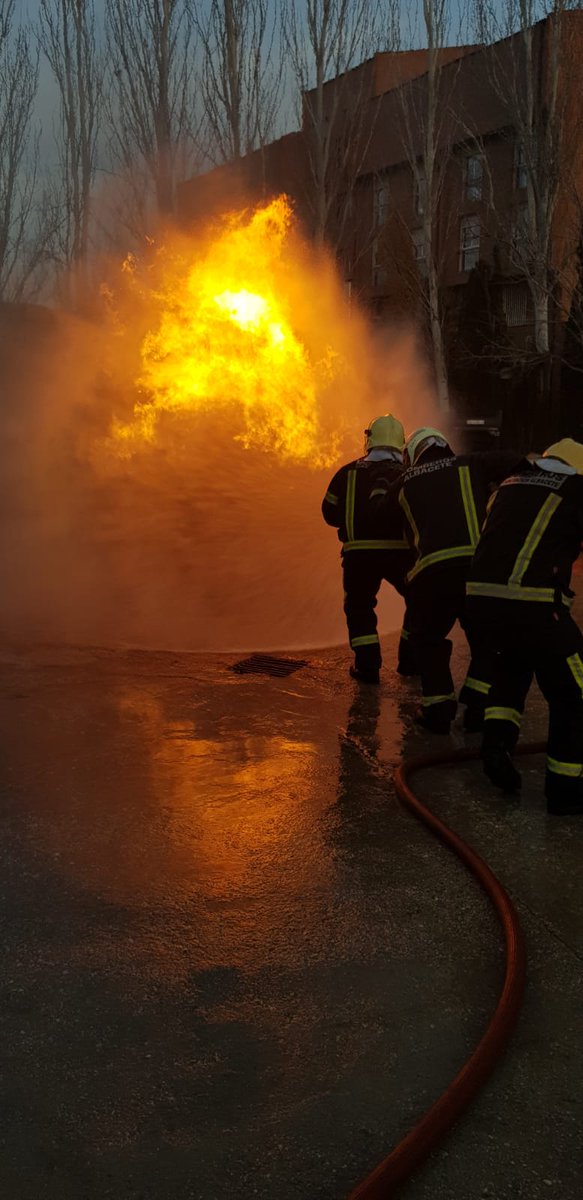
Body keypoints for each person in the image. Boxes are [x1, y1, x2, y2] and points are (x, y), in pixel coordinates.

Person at [373, 426, 519, 733]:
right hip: (477, 571)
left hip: (432, 575)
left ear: (413, 454)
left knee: (428, 640)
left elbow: (381, 516)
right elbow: (515, 462)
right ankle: (478, 708)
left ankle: (438, 710)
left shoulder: (405, 480)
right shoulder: (471, 463)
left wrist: (380, 489)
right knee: (486, 641)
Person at [464, 438, 583, 815]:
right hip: (533, 604)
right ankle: (566, 790)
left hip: (481, 603)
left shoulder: (510, 483)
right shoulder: (576, 488)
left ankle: (496, 747)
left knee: (511, 668)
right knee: (574, 691)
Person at [321, 414, 416, 684]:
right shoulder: (408, 474)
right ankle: (410, 662)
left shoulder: (347, 473)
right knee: (418, 601)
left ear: (369, 440)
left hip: (359, 556)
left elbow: (329, 513)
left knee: (359, 607)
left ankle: (367, 667)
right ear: (401, 442)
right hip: (401, 554)